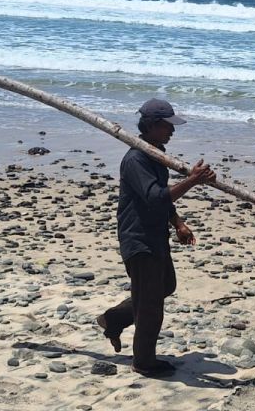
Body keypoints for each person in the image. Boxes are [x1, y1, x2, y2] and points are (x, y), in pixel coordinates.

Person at [96, 98, 215, 376]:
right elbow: (155, 197)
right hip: (138, 237)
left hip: (155, 234)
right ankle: (144, 361)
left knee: (165, 285)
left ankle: (114, 318)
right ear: (150, 126)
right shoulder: (136, 159)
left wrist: (178, 223)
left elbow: (162, 199)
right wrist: (193, 180)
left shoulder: (155, 155)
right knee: (150, 305)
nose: (172, 130)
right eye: (166, 126)